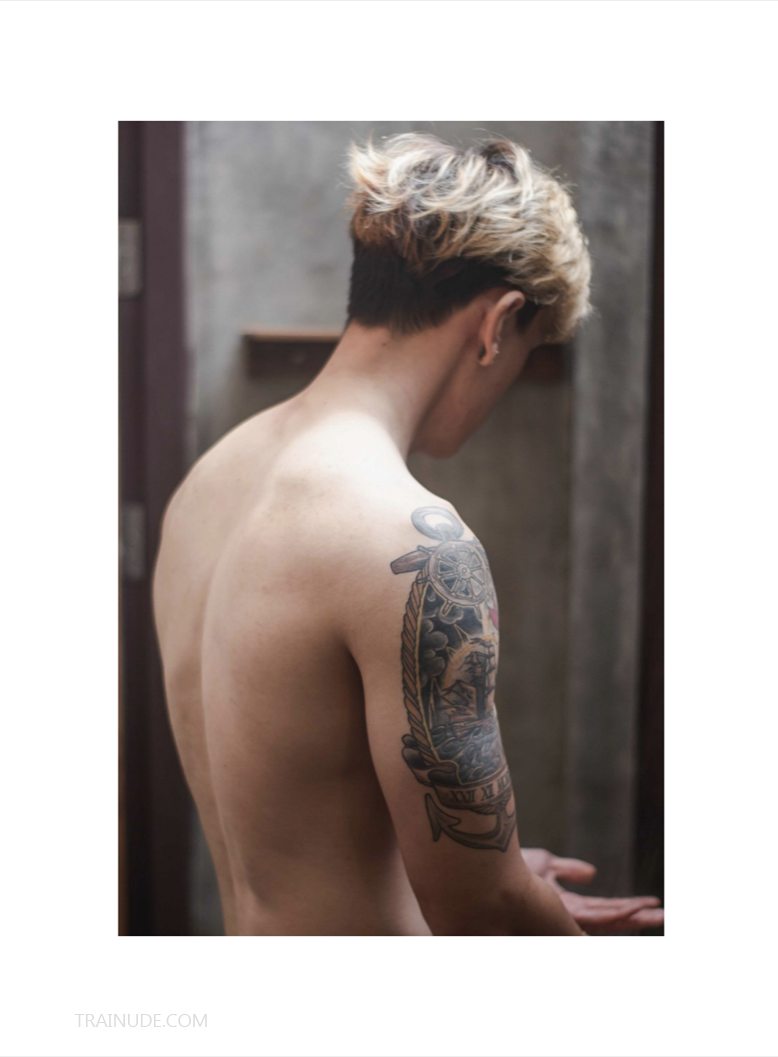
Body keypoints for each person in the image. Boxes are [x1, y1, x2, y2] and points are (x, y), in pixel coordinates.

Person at [153, 132, 663, 935]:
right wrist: (514, 899)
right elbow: (481, 907)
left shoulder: (208, 485)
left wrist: (504, 874)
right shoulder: (412, 543)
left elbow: (304, 824)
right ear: (498, 324)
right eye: (528, 352)